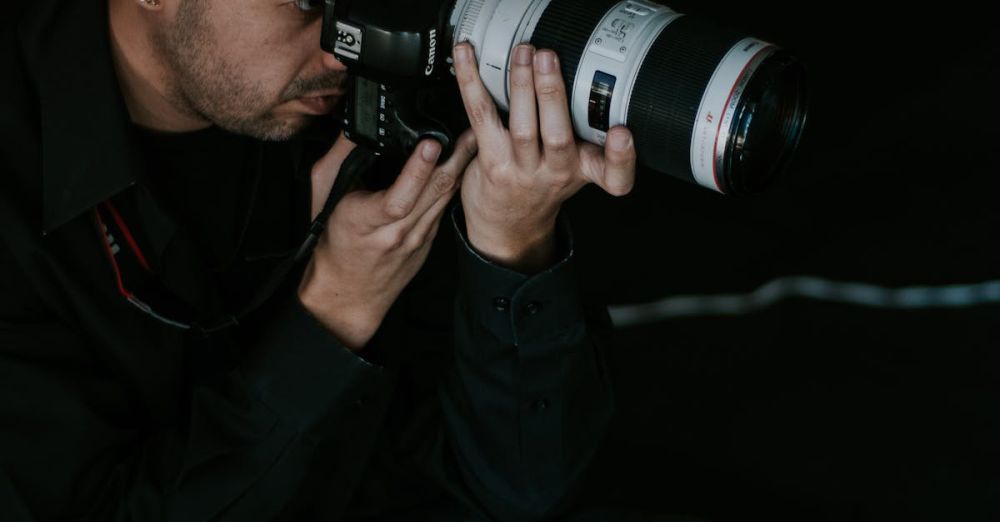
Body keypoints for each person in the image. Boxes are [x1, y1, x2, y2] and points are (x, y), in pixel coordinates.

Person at [0, 0, 642, 520]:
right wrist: (336, 308)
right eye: (308, 3)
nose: (348, 46)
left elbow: (521, 488)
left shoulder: (389, 96)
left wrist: (513, 242)